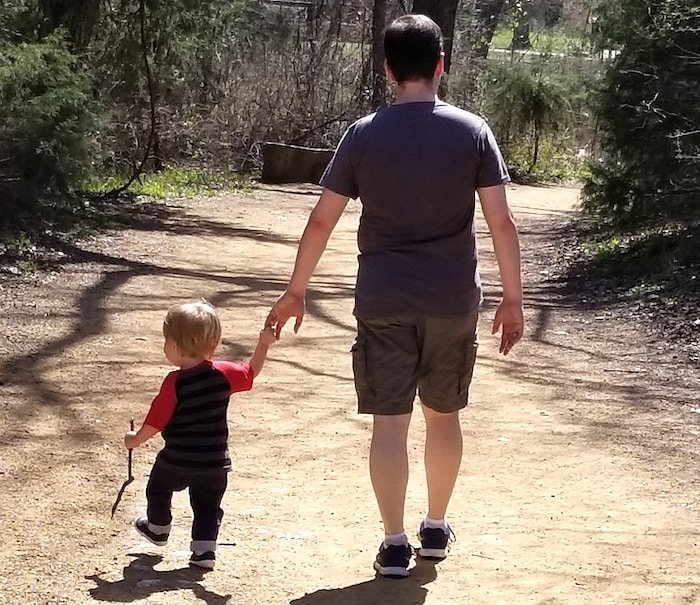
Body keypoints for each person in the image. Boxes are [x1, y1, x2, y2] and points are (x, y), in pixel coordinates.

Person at [265, 14, 523, 578]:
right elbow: (501, 223)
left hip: (383, 300)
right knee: (444, 415)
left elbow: (320, 222)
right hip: (453, 299)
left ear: (387, 71)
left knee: (390, 422)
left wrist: (295, 291)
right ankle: (435, 526)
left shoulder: (363, 135)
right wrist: (513, 298)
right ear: (440, 65)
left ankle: (393, 543)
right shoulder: (473, 131)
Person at [124, 300, 276, 570]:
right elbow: (251, 374)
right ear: (214, 343)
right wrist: (263, 343)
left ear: (173, 346)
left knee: (158, 488)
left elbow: (156, 421)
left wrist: (135, 438)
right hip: (215, 462)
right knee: (207, 505)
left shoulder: (174, 382)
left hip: (177, 459)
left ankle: (158, 528)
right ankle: (204, 551)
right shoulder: (225, 373)